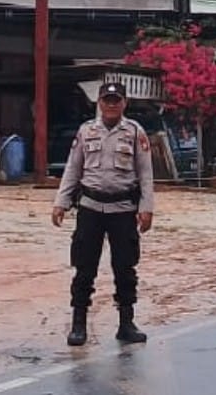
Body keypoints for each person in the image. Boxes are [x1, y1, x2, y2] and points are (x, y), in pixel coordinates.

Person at [51, 82, 154, 346]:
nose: (111, 105)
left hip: (123, 210)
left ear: (124, 103)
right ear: (99, 102)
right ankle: (78, 324)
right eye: (107, 100)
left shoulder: (134, 132)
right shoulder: (87, 131)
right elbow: (73, 169)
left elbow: (145, 174)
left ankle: (126, 323)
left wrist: (146, 209)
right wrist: (61, 202)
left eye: (116, 100)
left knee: (125, 268)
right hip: (90, 208)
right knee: (84, 268)